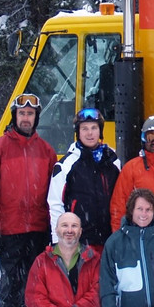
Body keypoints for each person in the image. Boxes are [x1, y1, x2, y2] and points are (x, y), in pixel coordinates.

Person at [0, 93, 57, 307]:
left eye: (30, 114)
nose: (26, 118)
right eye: (22, 113)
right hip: (9, 229)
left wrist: (52, 229)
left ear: (36, 117)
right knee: (11, 281)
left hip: (37, 229)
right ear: (15, 116)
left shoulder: (46, 151)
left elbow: (53, 194)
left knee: (36, 281)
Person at [49, 108, 120, 252]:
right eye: (84, 128)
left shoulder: (112, 161)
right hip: (79, 242)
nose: (90, 133)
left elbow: (122, 198)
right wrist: (58, 241)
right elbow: (55, 204)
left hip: (109, 241)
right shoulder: (66, 165)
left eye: (94, 128)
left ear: (100, 131)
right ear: (78, 132)